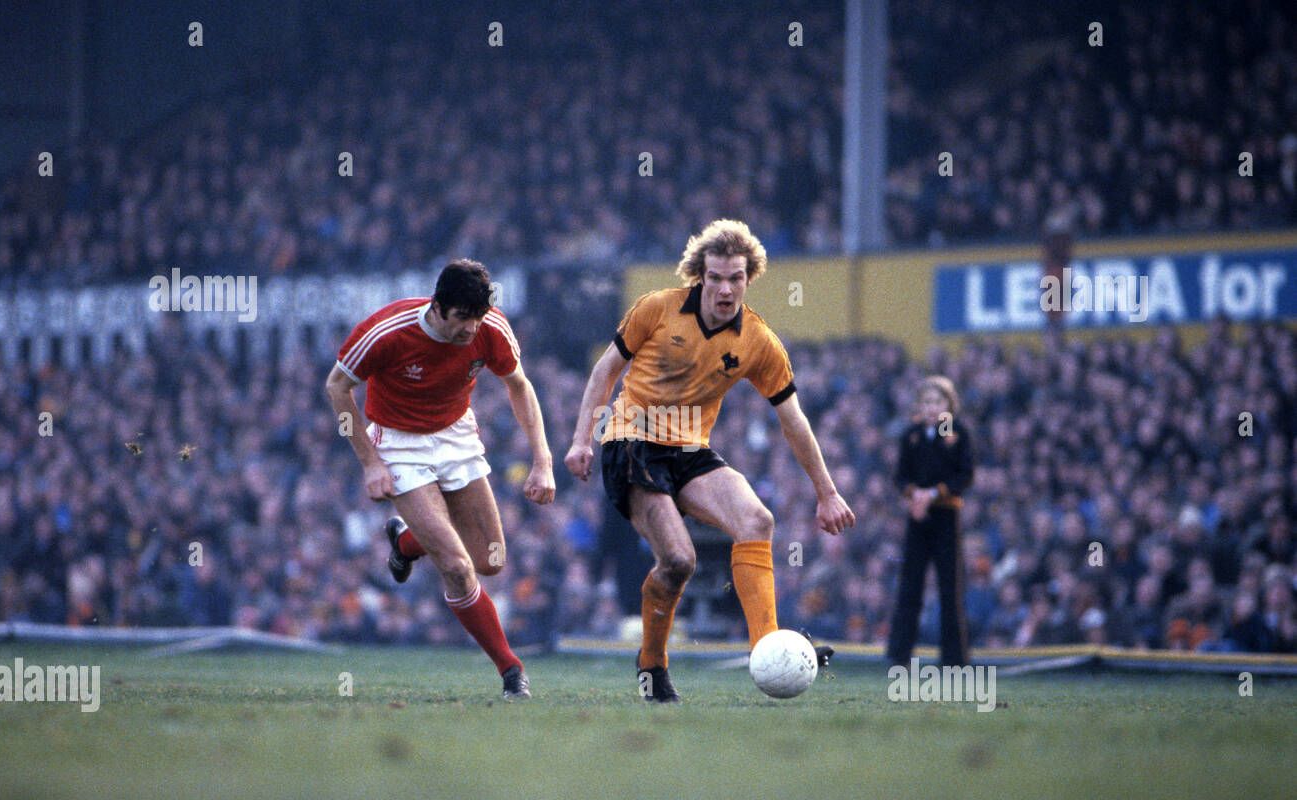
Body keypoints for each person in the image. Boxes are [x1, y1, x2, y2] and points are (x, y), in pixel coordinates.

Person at [564, 219, 855, 702]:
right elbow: (605, 370)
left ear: (749, 278)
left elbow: (794, 420)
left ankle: (769, 649)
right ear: (699, 275)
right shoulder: (657, 309)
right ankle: (651, 666)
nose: (724, 288)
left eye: (735, 278)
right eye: (715, 277)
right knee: (679, 561)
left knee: (757, 519)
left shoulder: (758, 341)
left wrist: (826, 492)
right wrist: (580, 441)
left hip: (689, 451)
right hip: (631, 442)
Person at [324, 259, 555, 700]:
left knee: (490, 561)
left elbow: (520, 385)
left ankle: (406, 543)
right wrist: (371, 463)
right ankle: (512, 670)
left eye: (479, 316)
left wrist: (542, 460)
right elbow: (337, 387)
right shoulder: (387, 331)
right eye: (463, 318)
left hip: (457, 437)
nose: (472, 328)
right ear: (438, 307)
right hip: (399, 443)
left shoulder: (491, 328)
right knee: (456, 566)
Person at [888, 375, 974, 667]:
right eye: (927, 401)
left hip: (946, 515)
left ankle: (954, 658)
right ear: (919, 405)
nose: (932, 407)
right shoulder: (910, 434)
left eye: (938, 401)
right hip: (917, 516)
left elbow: (964, 475)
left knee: (949, 588)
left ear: (949, 404)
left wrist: (934, 493)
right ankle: (899, 655)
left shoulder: (955, 432)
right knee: (910, 585)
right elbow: (900, 476)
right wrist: (914, 495)